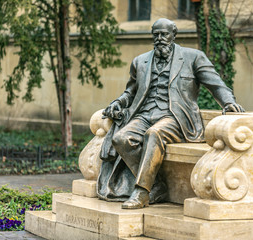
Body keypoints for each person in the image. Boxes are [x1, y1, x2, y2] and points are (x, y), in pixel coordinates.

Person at [100, 18, 244, 209]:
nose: (160, 38)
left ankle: (142, 192)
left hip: (177, 118)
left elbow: (216, 84)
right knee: (121, 139)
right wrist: (118, 102)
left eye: (164, 34)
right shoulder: (140, 61)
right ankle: (156, 186)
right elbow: (130, 92)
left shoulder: (193, 57)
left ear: (173, 35)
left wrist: (229, 102)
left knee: (154, 134)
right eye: (156, 34)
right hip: (144, 114)